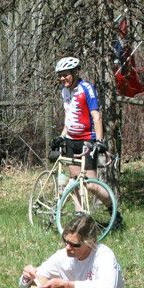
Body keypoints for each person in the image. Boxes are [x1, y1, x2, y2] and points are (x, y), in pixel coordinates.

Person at [54, 56, 123, 228]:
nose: (63, 79)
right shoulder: (64, 91)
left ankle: (113, 212)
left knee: (91, 184)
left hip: (87, 141)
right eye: (60, 75)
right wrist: (62, 136)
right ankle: (80, 219)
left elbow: (96, 117)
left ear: (75, 73)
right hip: (71, 140)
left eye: (66, 75)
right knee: (75, 180)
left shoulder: (87, 89)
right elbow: (68, 118)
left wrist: (99, 141)